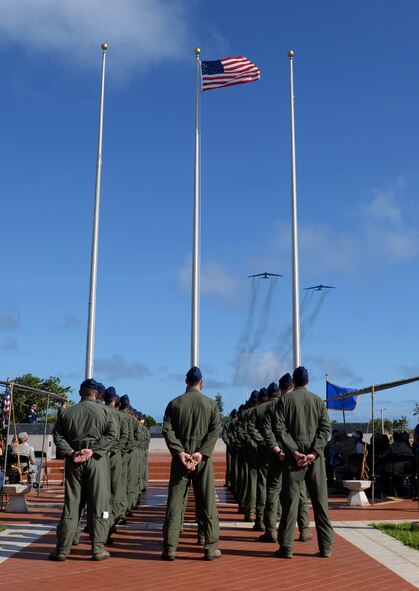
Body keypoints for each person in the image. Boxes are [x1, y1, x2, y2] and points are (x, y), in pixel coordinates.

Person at [49, 378, 117, 562]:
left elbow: (58, 436)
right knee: (100, 505)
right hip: (97, 461)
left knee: (72, 505)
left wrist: (72, 452)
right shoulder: (106, 412)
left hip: (74, 461)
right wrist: (93, 450)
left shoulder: (67, 413)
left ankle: (63, 549)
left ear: (81, 392)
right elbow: (112, 434)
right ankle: (97, 548)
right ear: (96, 394)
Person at [273, 366, 334, 559]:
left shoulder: (284, 401)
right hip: (315, 460)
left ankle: (287, 547)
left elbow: (280, 429)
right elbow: (326, 429)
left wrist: (294, 451)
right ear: (307, 381)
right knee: (320, 503)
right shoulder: (317, 401)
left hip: (293, 461)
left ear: (294, 383)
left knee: (290, 503)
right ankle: (326, 547)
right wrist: (314, 452)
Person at [162, 366, 221, 561]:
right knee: (206, 501)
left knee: (175, 502)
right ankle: (210, 547)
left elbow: (167, 431)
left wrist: (180, 452)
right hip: (202, 460)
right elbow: (214, 433)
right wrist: (200, 454)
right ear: (201, 383)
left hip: (181, 460)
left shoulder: (174, 404)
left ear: (186, 381)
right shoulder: (211, 405)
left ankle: (170, 547)